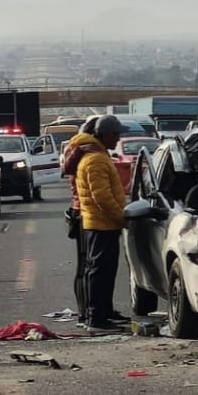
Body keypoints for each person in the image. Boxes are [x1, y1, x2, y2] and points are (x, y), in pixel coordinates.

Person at [73, 115, 130, 331]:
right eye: (116, 135)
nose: (118, 139)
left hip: (102, 224)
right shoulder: (96, 159)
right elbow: (102, 197)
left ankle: (104, 312)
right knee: (99, 272)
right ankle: (97, 318)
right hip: (101, 224)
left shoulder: (98, 155)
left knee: (105, 271)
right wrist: (121, 218)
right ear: (105, 135)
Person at [61, 116, 100, 325]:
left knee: (87, 264)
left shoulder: (78, 146)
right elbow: (66, 169)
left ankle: (89, 311)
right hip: (82, 211)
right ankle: (85, 312)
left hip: (80, 209)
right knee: (86, 265)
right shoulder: (81, 148)